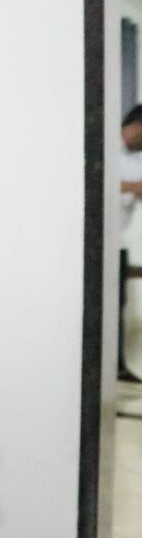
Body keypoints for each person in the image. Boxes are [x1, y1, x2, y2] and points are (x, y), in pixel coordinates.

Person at [120, 104, 142, 382]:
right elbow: (102, 181)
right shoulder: (106, 149)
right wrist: (133, 187)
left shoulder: (136, 159)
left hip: (121, 241)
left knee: (119, 305)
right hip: (100, 242)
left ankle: (117, 364)